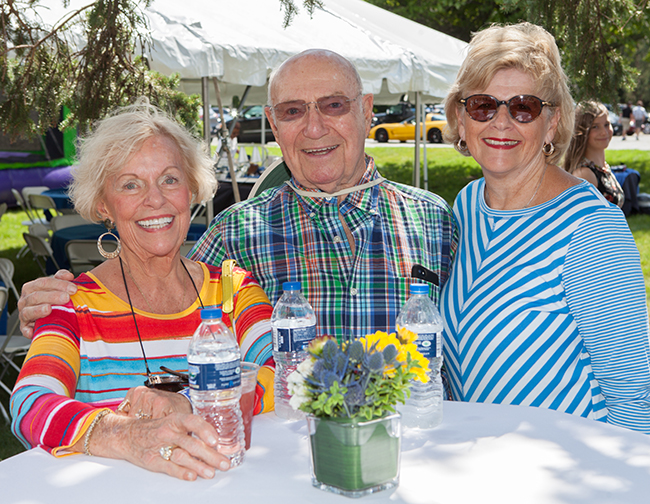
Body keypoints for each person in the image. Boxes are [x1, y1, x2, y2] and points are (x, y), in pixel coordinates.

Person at [18, 49, 458, 344]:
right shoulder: (235, 235)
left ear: (366, 112)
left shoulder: (434, 220)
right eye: (292, 111)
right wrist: (61, 311)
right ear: (273, 123)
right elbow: (160, 316)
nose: (314, 127)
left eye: (333, 105)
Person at [11, 103, 275, 480]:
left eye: (170, 179)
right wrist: (124, 434)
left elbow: (284, 370)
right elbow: (29, 405)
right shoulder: (72, 305)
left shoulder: (233, 289)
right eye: (131, 184)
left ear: (192, 189)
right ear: (104, 204)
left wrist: (188, 405)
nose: (155, 200)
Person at [441, 23, 650, 434]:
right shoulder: (466, 205)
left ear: (552, 123)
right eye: (483, 105)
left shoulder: (591, 230)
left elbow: (635, 397)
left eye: (524, 107)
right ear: (461, 120)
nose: (501, 121)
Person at [563, 101, 624, 208]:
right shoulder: (584, 174)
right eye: (595, 127)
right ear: (582, 131)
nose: (604, 132)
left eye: (606, 124)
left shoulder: (602, 167)